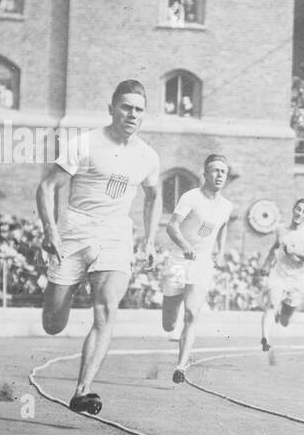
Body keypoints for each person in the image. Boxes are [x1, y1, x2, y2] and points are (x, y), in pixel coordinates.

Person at [37, 79, 160, 414]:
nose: (132, 114)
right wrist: (49, 230)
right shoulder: (85, 143)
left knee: (106, 310)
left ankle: (83, 390)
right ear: (112, 109)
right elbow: (47, 187)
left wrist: (149, 240)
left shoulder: (148, 156)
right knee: (52, 324)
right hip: (75, 230)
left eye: (139, 109)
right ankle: (69, 286)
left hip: (116, 236)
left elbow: (153, 196)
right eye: (126, 107)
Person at [161, 155, 233, 384]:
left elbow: (222, 228)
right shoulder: (191, 197)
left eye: (223, 171)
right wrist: (185, 246)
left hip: (202, 263)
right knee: (169, 321)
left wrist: (221, 251)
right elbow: (172, 227)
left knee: (192, 313)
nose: (220, 175)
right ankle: (169, 323)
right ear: (205, 174)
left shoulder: (226, 206)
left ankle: (181, 366)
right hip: (180, 260)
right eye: (215, 170)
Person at [259, 198, 304, 353]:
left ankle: (282, 315)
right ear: (293, 209)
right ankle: (265, 339)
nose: (299, 214)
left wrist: (295, 252)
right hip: (278, 274)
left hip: (296, 279)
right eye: (298, 209)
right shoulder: (281, 229)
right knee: (271, 305)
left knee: (285, 320)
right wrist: (266, 264)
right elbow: (275, 246)